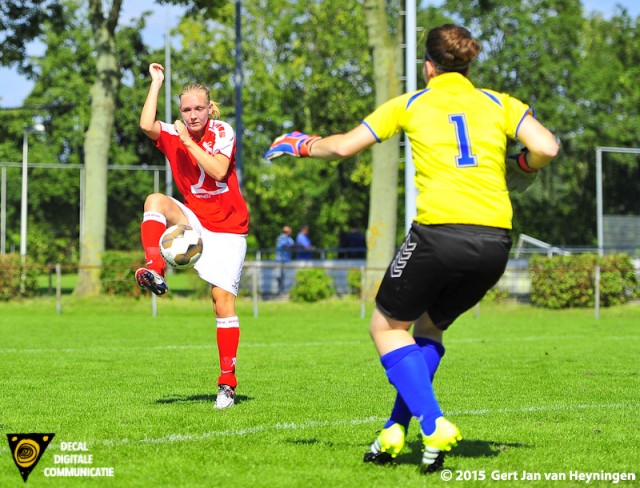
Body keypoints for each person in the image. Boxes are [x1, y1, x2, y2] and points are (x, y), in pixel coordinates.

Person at [265, 24, 558, 473]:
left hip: (440, 235)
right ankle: (393, 430)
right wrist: (522, 164)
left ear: (428, 65)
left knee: (384, 327)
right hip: (496, 241)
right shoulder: (498, 103)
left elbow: (343, 147)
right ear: (467, 63)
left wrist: (299, 144)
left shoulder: (412, 103)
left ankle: (433, 420)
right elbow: (547, 147)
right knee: (428, 330)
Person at [136, 62, 249, 410]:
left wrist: (186, 140)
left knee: (221, 303)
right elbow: (145, 125)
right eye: (186, 109)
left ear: (209, 108)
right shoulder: (174, 132)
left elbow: (216, 170)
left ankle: (227, 383)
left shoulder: (222, 131)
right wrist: (156, 83)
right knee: (154, 200)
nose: (192, 114)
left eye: (199, 108)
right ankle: (155, 267)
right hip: (196, 218)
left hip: (229, 229)